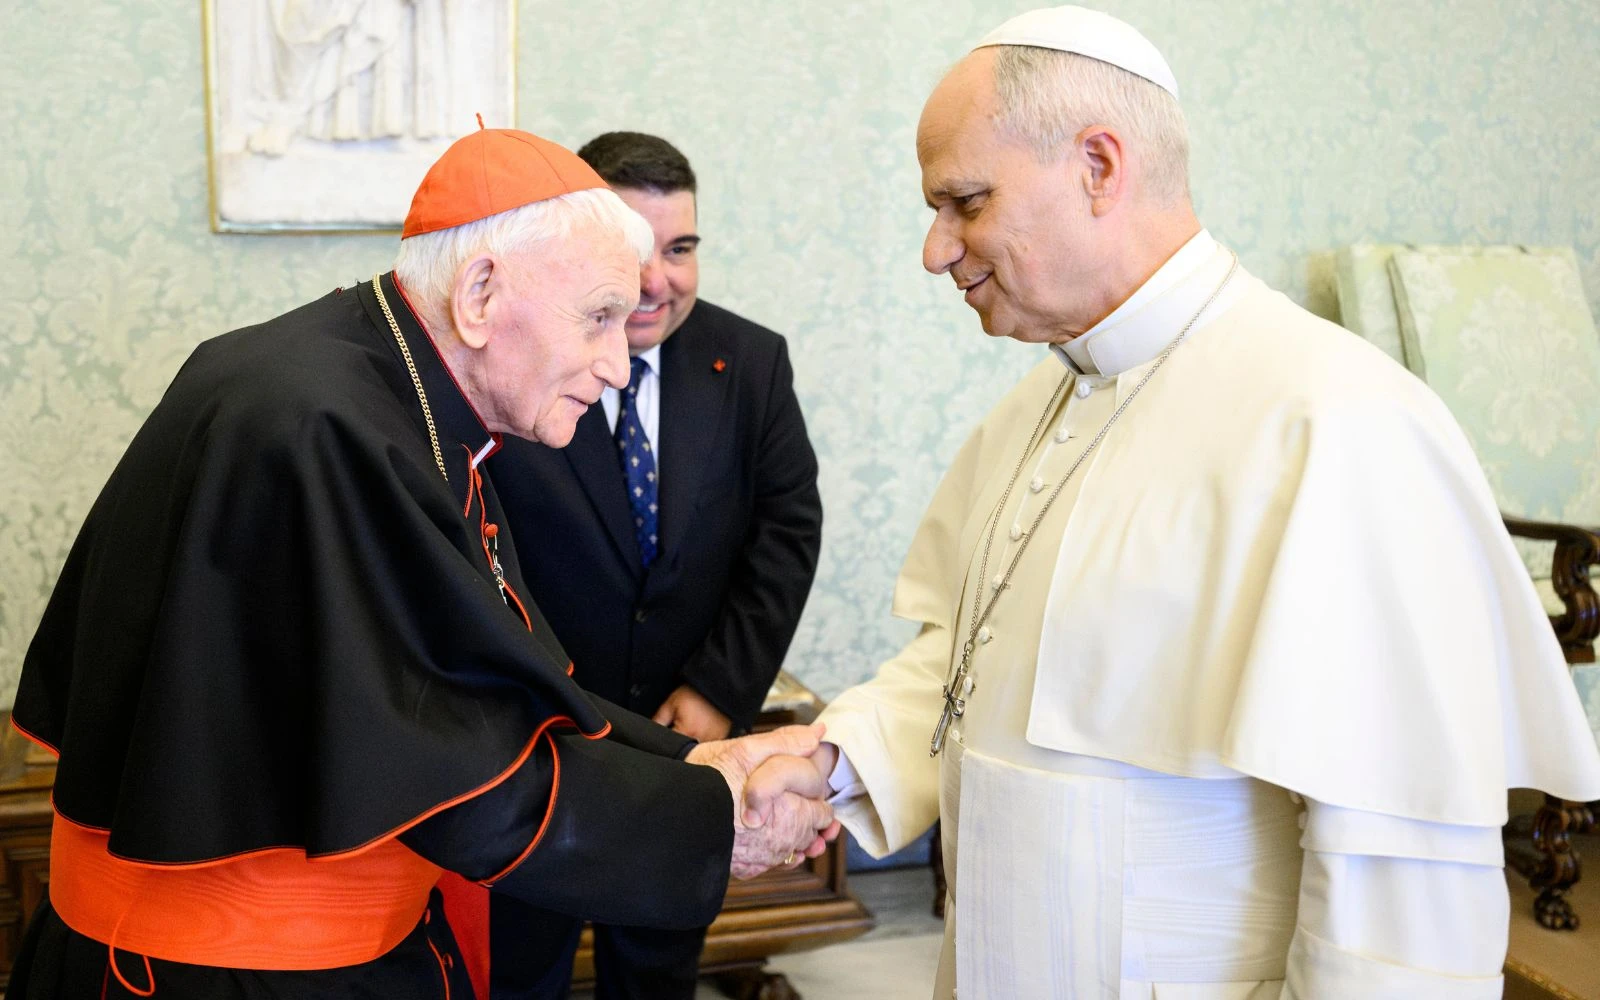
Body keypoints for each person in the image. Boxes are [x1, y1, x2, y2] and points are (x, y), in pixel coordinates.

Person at [809, 6, 1600, 997]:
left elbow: (1398, 878)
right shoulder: (1038, 406)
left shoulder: (1337, 420)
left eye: (965, 202)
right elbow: (976, 666)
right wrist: (837, 758)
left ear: (1099, 166)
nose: (937, 250)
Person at [8, 124, 837, 1000]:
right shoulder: (321, 427)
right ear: (480, 293)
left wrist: (698, 765)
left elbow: (484, 684)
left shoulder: (390, 398)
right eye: (598, 317)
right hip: (229, 972)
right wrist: (720, 821)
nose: (618, 367)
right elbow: (452, 765)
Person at [484, 133, 822, 999]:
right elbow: (480, 552)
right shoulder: (511, 361)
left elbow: (785, 532)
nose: (657, 281)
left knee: (657, 970)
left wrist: (717, 689)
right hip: (542, 743)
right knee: (518, 967)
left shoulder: (750, 361)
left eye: (680, 249)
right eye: (633, 251)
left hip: (687, 740)